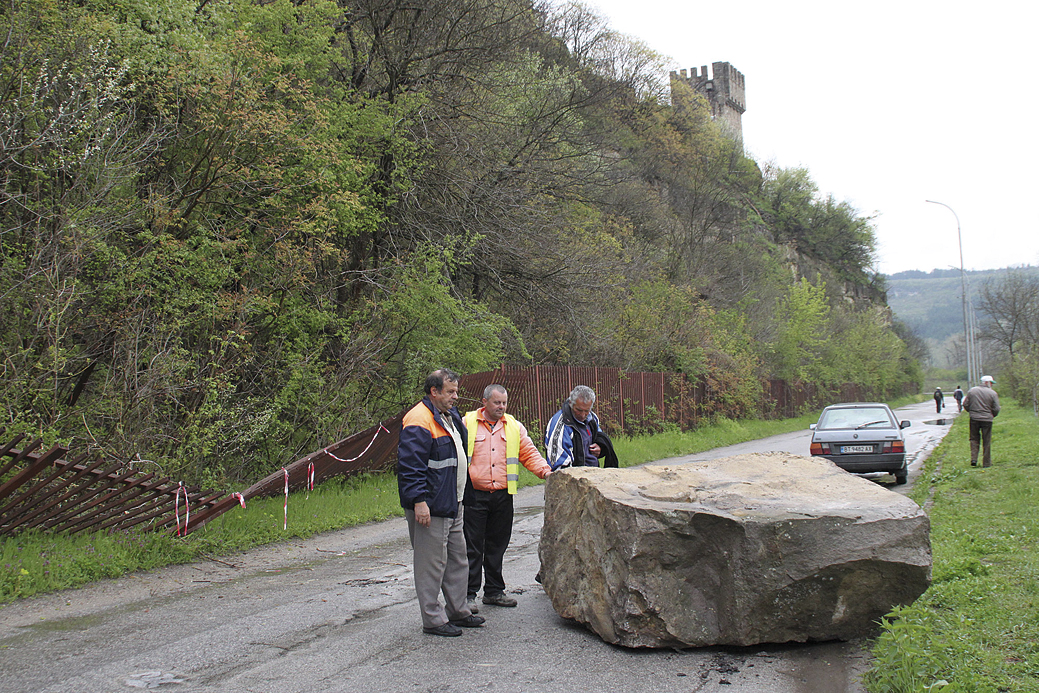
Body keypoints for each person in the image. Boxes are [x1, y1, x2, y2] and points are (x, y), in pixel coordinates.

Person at [397, 369, 485, 636]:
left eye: (456, 391)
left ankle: (458, 611)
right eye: (450, 391)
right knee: (431, 563)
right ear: (433, 391)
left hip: (453, 501)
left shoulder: (449, 416)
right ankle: (433, 619)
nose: (455, 397)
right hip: (432, 505)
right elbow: (410, 467)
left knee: (458, 559)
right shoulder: (418, 419)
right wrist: (418, 502)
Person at [463, 384, 552, 612]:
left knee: (497, 546)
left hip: (503, 495)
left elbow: (529, 452)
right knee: (472, 547)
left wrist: (546, 472)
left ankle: (494, 591)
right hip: (474, 495)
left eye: (504, 403)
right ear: (484, 402)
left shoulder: (514, 426)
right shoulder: (467, 424)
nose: (501, 407)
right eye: (496, 402)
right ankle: (468, 595)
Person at [544, 385, 618, 469]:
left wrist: (600, 446)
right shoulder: (561, 425)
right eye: (578, 410)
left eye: (586, 410)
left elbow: (599, 435)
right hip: (572, 477)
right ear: (571, 403)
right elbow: (558, 466)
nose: (583, 415)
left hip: (594, 473)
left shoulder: (592, 418)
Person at [962, 375, 1001, 468]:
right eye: (991, 383)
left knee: (974, 439)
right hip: (987, 419)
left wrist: (971, 412)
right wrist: (992, 415)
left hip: (974, 419)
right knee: (986, 440)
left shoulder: (972, 391)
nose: (992, 384)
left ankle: (974, 459)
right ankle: (986, 463)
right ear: (987, 382)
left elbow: (965, 404)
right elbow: (996, 408)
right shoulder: (993, 393)